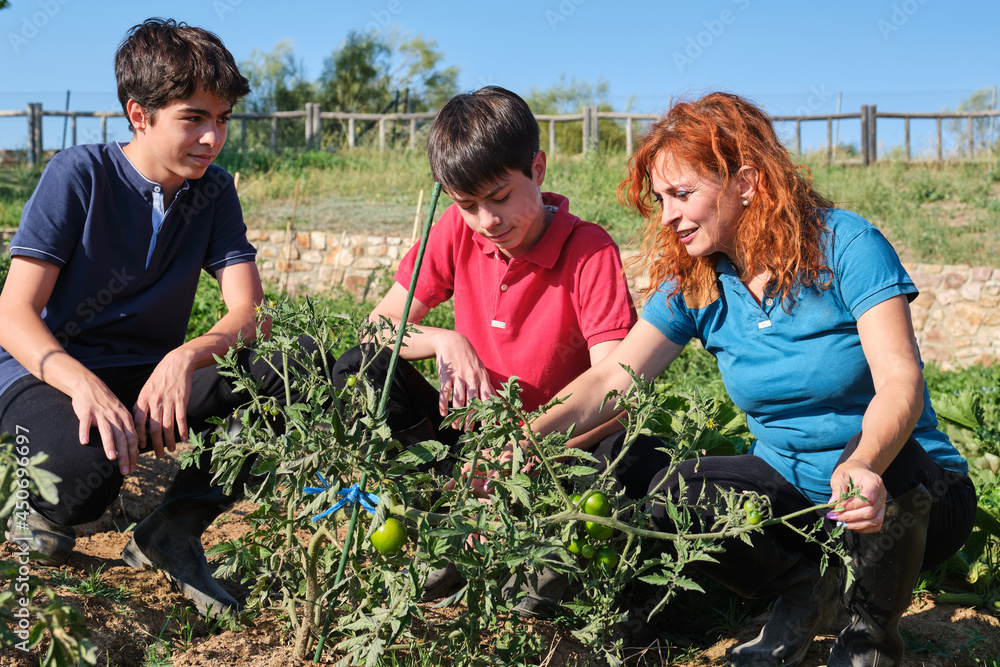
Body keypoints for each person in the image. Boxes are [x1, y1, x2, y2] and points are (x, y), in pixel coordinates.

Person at [523, 92, 977, 667]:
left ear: (746, 182)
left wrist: (862, 464)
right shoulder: (698, 278)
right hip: (800, 509)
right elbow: (613, 374)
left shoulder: (846, 246)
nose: (667, 216)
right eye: (661, 199)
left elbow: (900, 383)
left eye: (682, 194)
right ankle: (808, 588)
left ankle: (868, 639)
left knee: (901, 463)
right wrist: (524, 443)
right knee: (679, 488)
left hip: (910, 496)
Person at [0, 18, 314, 619]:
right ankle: (32, 505)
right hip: (44, 371)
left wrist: (186, 355)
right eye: (194, 118)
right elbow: (14, 313)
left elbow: (253, 310)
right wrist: (83, 383)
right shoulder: (79, 175)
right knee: (77, 476)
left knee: (290, 369)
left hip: (145, 373)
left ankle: (173, 527)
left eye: (222, 119)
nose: (212, 138)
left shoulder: (213, 192)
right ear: (139, 114)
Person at [332, 86, 637, 608]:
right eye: (467, 204)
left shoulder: (588, 251)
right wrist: (445, 340)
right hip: (472, 450)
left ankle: (536, 547)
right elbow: (377, 328)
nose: (487, 222)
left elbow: (615, 394)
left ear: (538, 169)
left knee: (624, 464)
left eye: (499, 197)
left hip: (557, 452)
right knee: (361, 368)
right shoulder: (459, 230)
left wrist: (518, 456)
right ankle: (436, 513)